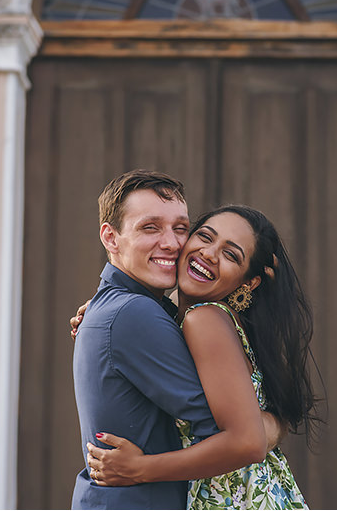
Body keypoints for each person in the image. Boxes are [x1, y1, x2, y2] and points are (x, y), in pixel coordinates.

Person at [70, 170, 285, 510]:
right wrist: (275, 423)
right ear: (111, 238)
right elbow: (243, 437)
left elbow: (244, 436)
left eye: (181, 228)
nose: (171, 243)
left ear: (249, 281)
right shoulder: (133, 313)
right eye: (150, 227)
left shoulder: (153, 312)